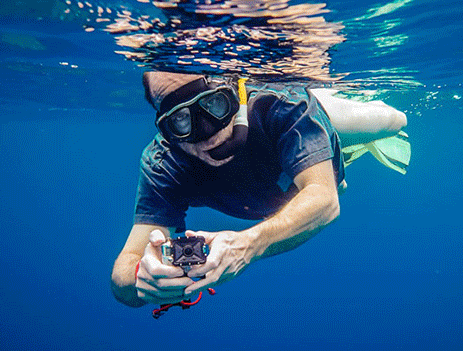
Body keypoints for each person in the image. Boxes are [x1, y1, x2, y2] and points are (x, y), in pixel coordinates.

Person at [111, 72, 407, 307]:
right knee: (332, 184)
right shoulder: (164, 162)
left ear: (234, 93)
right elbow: (124, 272)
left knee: (393, 121)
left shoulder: (282, 105)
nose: (207, 133)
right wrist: (143, 280)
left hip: (316, 120)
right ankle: (330, 159)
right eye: (181, 120)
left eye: (214, 105)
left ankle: (330, 136)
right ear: (165, 128)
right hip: (281, 182)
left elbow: (325, 199)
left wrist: (248, 245)